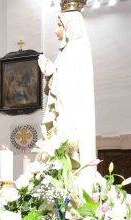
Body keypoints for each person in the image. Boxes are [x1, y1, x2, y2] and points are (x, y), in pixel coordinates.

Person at [38, 8, 95, 191]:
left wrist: (51, 72)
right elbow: (60, 83)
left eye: (59, 25)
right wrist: (50, 72)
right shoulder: (66, 52)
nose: (56, 30)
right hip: (63, 110)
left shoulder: (76, 50)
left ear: (69, 26)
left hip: (70, 112)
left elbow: (69, 86)